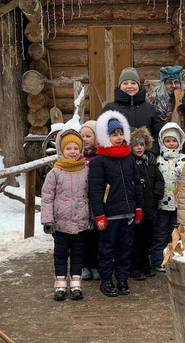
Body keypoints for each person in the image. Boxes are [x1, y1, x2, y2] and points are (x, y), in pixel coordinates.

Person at [88, 110, 144, 297]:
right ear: (106, 136)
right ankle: (106, 280)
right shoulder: (99, 161)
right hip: (109, 213)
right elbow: (95, 191)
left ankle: (122, 278)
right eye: (114, 134)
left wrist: (138, 207)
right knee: (107, 248)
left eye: (121, 133)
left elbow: (136, 184)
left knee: (125, 247)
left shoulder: (129, 158)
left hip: (127, 212)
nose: (119, 138)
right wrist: (99, 214)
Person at [40, 129, 90, 301]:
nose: (72, 152)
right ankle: (60, 285)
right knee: (60, 254)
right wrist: (47, 219)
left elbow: (91, 194)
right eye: (68, 148)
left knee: (78, 254)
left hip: (80, 221)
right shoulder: (55, 172)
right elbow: (47, 197)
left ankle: (76, 284)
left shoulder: (85, 170)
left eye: (76, 148)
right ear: (62, 150)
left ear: (81, 149)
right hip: (60, 223)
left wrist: (91, 216)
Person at [151, 122, 185, 271]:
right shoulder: (158, 160)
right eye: (168, 140)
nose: (171, 143)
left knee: (176, 234)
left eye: (174, 140)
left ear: (179, 142)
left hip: (179, 205)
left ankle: (175, 259)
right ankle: (158, 260)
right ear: (162, 142)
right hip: (162, 204)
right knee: (160, 232)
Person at [129, 127, 165, 280]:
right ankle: (135, 267)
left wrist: (156, 195)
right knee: (136, 239)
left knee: (147, 239)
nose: (139, 148)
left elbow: (159, 179)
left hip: (150, 207)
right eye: (136, 145)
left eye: (142, 145)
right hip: (136, 207)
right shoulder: (129, 163)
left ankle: (145, 264)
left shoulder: (150, 163)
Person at [102, 67, 162, 154]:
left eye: (133, 83)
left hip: (144, 158)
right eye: (125, 83)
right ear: (120, 86)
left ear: (138, 86)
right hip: (117, 158)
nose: (129, 86)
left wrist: (152, 152)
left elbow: (157, 134)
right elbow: (102, 133)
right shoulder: (110, 109)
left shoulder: (149, 109)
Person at [149, 65, 185, 154]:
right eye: (169, 83)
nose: (173, 86)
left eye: (176, 82)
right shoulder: (154, 102)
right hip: (162, 150)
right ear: (163, 85)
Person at [79, 120, 101, 281]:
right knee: (82, 236)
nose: (85, 139)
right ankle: (83, 265)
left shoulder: (100, 157)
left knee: (96, 236)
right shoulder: (76, 157)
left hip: (97, 202)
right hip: (80, 202)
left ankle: (95, 265)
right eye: (82, 136)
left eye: (88, 136)